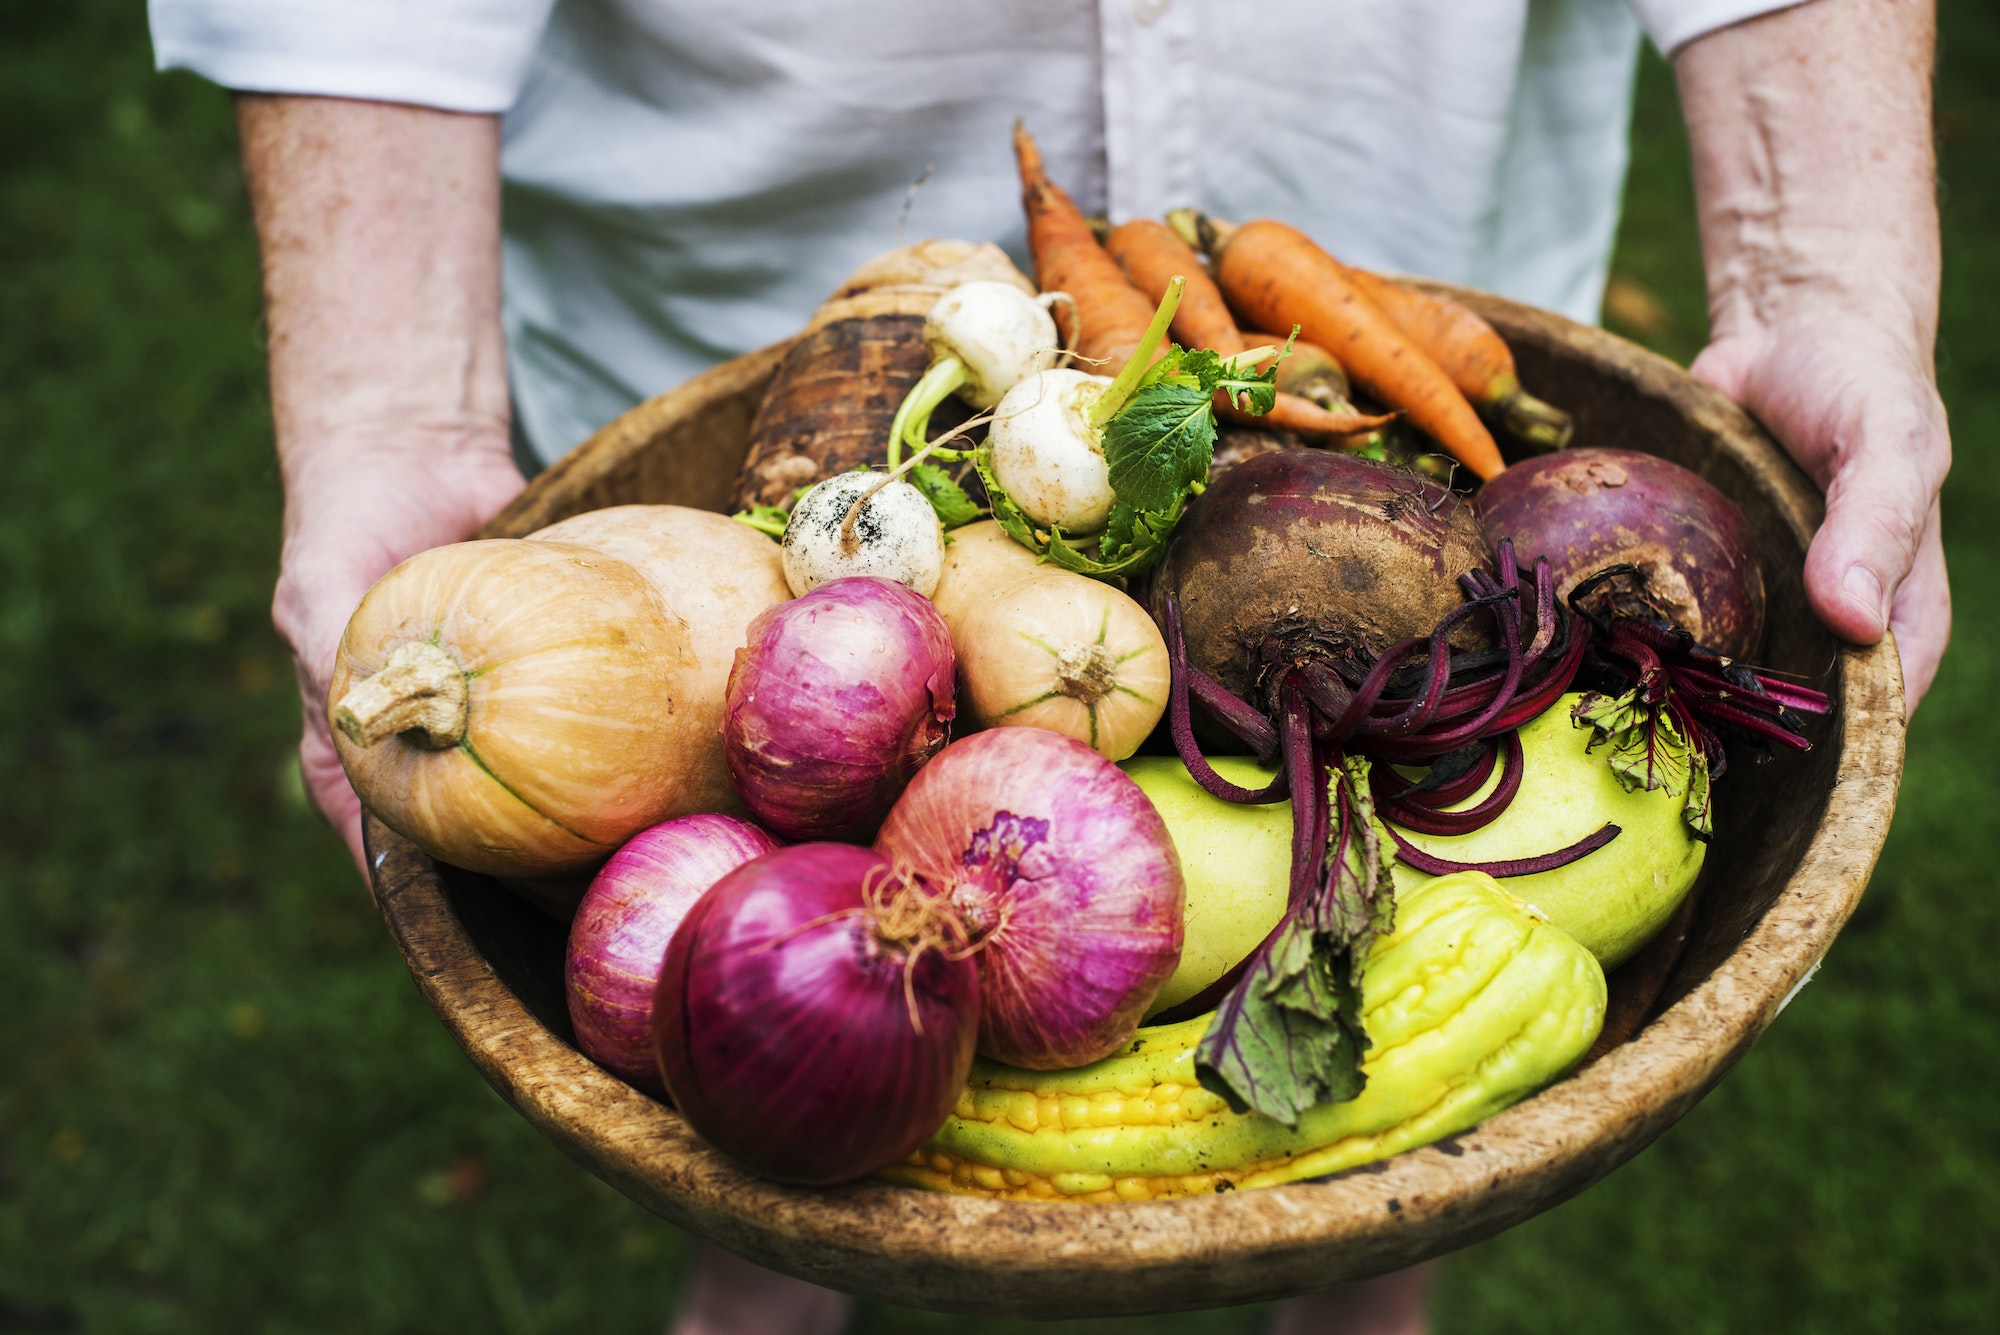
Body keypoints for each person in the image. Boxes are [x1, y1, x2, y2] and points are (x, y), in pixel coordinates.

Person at [148, 1, 1952, 1331]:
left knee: (1348, 1078)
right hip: (785, 358)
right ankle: (756, 1243)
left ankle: (1363, 1274)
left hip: (1402, 297)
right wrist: (393, 401)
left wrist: (1821, 274)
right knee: (721, 894)